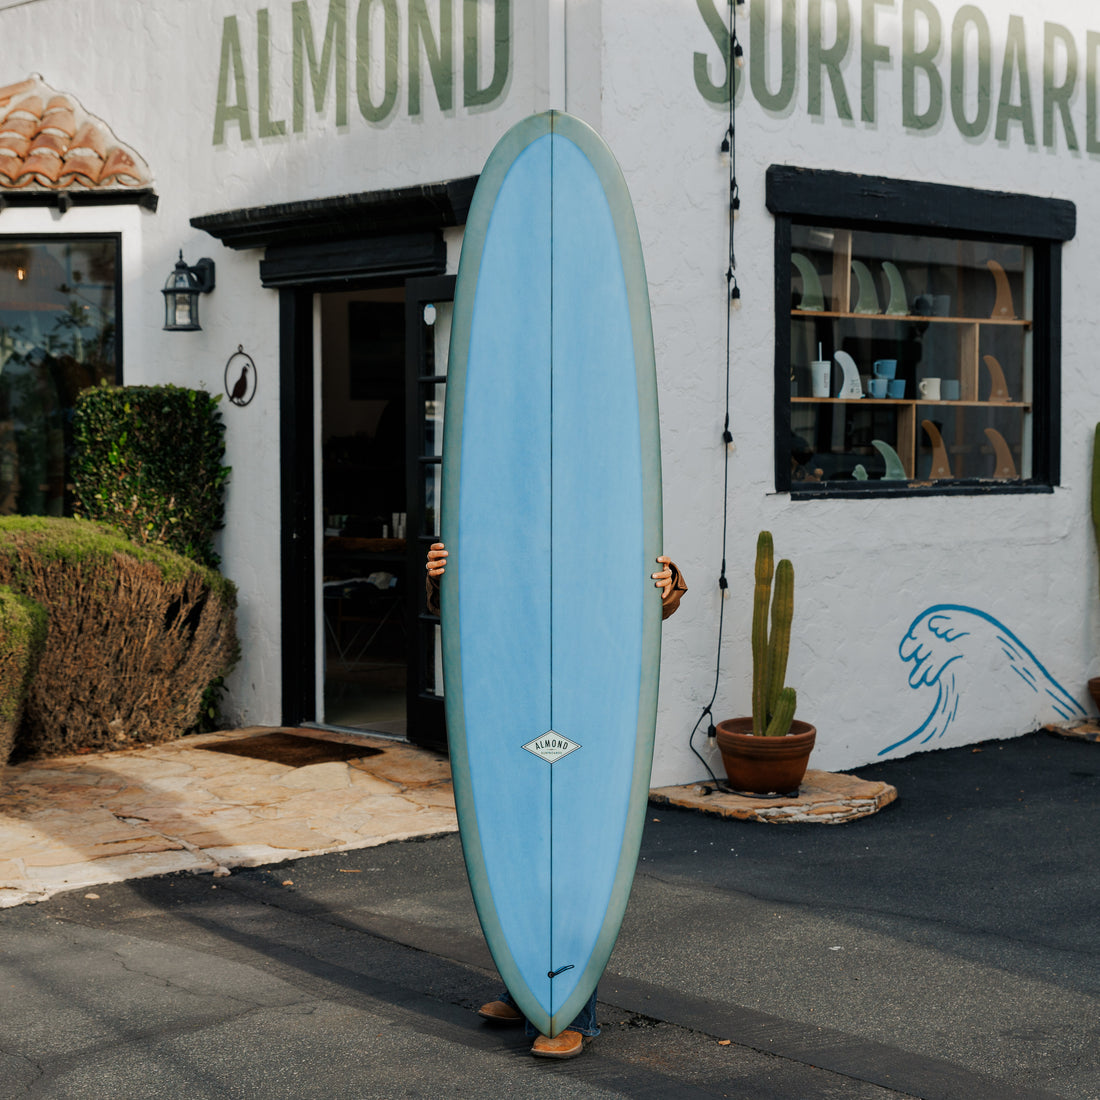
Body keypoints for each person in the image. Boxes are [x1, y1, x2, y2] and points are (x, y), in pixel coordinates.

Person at [425, 541, 686, 1059]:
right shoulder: (512, 515)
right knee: (521, 851)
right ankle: (524, 991)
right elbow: (472, 607)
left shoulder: (595, 515)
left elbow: (643, 603)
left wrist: (669, 585)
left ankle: (569, 1012)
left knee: (572, 860)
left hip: (588, 705)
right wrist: (441, 578)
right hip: (516, 697)